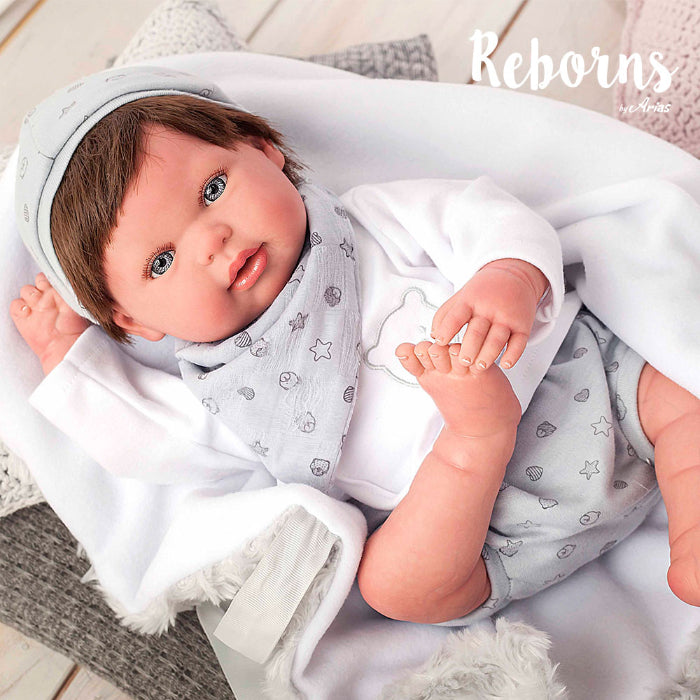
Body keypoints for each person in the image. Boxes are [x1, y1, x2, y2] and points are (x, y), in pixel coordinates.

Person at [10, 66, 700, 626]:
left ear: (265, 150)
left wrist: (510, 278)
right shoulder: (221, 391)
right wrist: (67, 359)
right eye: (161, 262)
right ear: (132, 321)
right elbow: (147, 444)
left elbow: (479, 214)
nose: (212, 242)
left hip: (581, 383)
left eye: (213, 189)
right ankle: (476, 438)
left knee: (673, 392)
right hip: (489, 521)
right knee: (392, 585)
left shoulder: (369, 221)